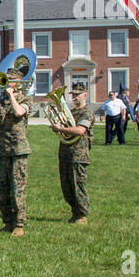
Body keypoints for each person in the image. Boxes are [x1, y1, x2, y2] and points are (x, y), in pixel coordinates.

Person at [0, 69, 30, 237]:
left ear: (18, 83)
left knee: (17, 188)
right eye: (6, 80)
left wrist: (11, 96)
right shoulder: (1, 102)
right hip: (1, 149)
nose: (7, 82)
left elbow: (19, 112)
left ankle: (19, 224)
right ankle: (7, 221)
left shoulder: (25, 99)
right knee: (1, 189)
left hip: (17, 150)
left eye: (11, 80)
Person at [50, 82, 93, 225]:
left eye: (77, 95)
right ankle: (74, 212)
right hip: (65, 152)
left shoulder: (86, 112)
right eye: (73, 95)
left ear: (85, 95)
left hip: (78, 154)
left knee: (77, 184)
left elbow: (80, 130)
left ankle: (82, 214)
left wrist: (61, 129)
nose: (74, 97)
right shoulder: (71, 112)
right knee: (66, 185)